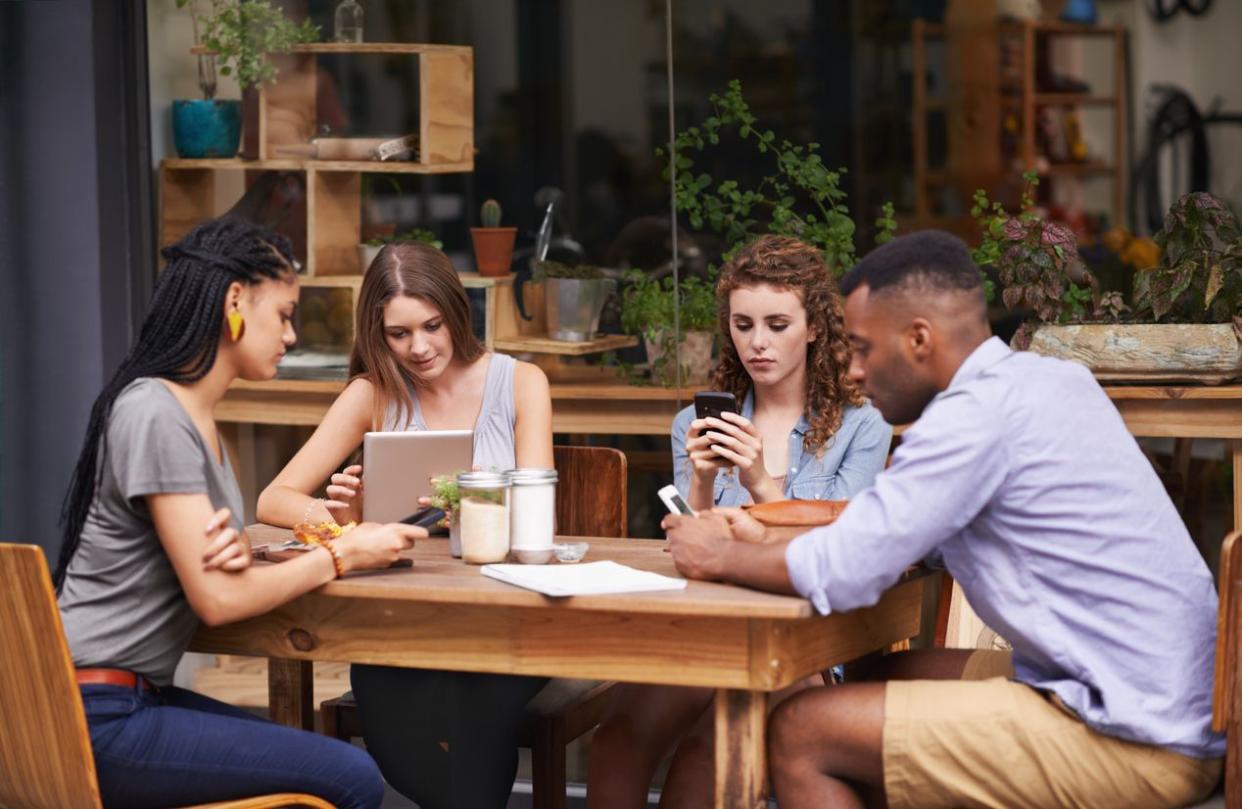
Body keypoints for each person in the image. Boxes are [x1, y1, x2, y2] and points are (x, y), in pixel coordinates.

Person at [663, 230, 1224, 809]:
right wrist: (768, 527)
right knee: (876, 680)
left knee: (802, 730)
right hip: (1166, 704)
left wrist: (719, 553)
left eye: (862, 348)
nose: (851, 370)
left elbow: (847, 568)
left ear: (918, 340)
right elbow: (889, 523)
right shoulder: (1049, 381)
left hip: (1134, 739)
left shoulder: (970, 420)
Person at [55, 217, 424, 809]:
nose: (292, 335)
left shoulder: (193, 421)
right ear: (234, 303)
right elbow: (219, 601)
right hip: (97, 715)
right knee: (351, 777)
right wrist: (340, 552)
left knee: (328, 762)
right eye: (282, 314)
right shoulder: (156, 412)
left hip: (124, 700)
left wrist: (249, 558)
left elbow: (214, 578)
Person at [587, 234, 891, 808]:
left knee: (707, 756)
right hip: (707, 629)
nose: (758, 343)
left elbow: (842, 549)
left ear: (815, 328)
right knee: (617, 741)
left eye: (777, 324)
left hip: (802, 644)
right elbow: (691, 548)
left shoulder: (861, 425)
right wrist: (700, 480)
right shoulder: (695, 424)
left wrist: (759, 481)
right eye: (742, 324)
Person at [257, 241, 554, 808]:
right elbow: (275, 499)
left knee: (474, 707)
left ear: (456, 312)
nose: (419, 348)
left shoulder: (520, 383)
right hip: (401, 622)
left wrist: (476, 505)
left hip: (506, 617)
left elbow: (539, 509)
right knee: (391, 733)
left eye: (432, 326)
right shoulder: (372, 392)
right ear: (378, 334)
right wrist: (342, 520)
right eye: (399, 334)